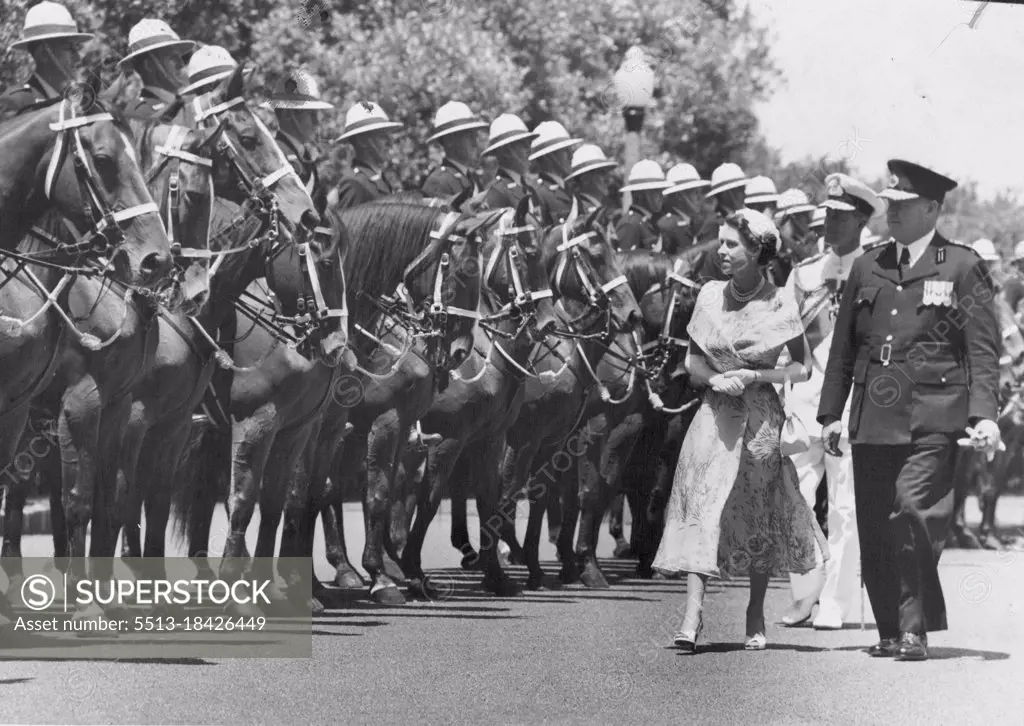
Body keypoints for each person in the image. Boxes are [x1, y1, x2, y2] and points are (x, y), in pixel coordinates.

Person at [817, 159, 1002, 661]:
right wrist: (830, 414)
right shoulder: (867, 265)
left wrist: (984, 414)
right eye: (889, 204)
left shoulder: (961, 266)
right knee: (877, 522)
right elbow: (842, 349)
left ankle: (915, 626)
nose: (891, 212)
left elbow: (982, 350)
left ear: (932, 209)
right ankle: (889, 628)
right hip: (872, 415)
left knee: (912, 513)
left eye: (902, 205)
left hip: (933, 416)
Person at [652, 208, 827, 654]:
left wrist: (755, 377)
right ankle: (692, 613)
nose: (721, 250)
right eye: (721, 241)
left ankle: (754, 610)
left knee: (758, 510)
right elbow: (692, 363)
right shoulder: (710, 295)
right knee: (702, 503)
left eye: (731, 244)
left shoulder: (781, 303)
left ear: (757, 252)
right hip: (713, 414)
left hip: (760, 418)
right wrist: (713, 379)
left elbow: (803, 369)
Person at [778, 173, 884, 631]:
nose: (828, 225)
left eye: (840, 218)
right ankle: (805, 595)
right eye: (827, 216)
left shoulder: (877, 272)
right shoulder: (803, 275)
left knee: (845, 508)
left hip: (849, 407)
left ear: (861, 221)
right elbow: (785, 342)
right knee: (796, 503)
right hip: (802, 406)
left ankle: (837, 601)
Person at [0, 1, 93, 121]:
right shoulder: (16, 103)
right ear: (43, 54)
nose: (78, 57)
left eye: (77, 48)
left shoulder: (78, 101)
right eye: (69, 48)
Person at [260, 70, 334, 215]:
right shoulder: (279, 156)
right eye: (310, 114)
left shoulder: (301, 153)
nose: (316, 122)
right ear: (288, 115)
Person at [117, 19, 195, 121]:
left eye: (181, 57)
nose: (180, 63)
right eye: (171, 57)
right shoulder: (139, 112)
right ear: (148, 65)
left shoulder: (186, 100)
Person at [331, 101, 403, 210]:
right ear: (362, 141)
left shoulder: (377, 178)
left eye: (389, 135)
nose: (390, 142)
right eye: (382, 136)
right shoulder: (355, 185)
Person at [421, 101, 487, 199]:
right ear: (450, 141)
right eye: (468, 135)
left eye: (475, 134)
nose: (474, 141)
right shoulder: (438, 182)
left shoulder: (472, 178)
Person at [528, 121, 582, 225]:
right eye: (565, 150)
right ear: (549, 157)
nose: (571, 156)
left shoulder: (571, 190)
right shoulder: (538, 193)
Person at [480, 113, 537, 209]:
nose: (529, 148)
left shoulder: (527, 188)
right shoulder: (497, 192)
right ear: (506, 150)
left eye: (528, 143)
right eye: (523, 144)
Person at [614, 160, 670, 252]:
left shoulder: (649, 222)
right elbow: (623, 263)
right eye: (656, 190)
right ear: (639, 194)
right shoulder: (629, 225)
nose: (661, 195)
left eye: (661, 190)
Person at [659, 163, 711, 255]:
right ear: (680, 196)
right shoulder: (667, 226)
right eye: (695, 192)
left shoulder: (694, 222)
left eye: (700, 192)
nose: (700, 197)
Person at [772, 188, 818, 286]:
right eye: (804, 215)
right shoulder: (779, 246)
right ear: (792, 217)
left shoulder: (809, 242)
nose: (809, 219)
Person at [564, 143, 618, 225]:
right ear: (585, 178)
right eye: (602, 172)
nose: (608, 178)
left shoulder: (592, 208)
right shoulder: (581, 210)